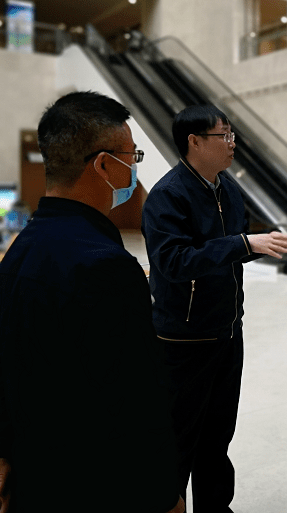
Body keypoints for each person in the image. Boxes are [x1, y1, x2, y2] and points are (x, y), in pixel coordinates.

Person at [0, 91, 183, 513]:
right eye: (131, 157)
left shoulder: (19, 251)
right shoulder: (107, 267)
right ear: (103, 165)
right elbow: (137, 401)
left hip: (36, 475)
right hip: (97, 482)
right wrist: (163, 493)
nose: (133, 169)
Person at [142, 104, 287, 512]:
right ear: (195, 142)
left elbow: (230, 249)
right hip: (182, 338)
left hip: (226, 330)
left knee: (218, 434)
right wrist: (244, 244)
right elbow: (174, 262)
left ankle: (216, 506)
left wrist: (263, 243)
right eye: (225, 136)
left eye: (233, 135)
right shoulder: (167, 196)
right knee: (178, 436)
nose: (233, 144)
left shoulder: (228, 188)